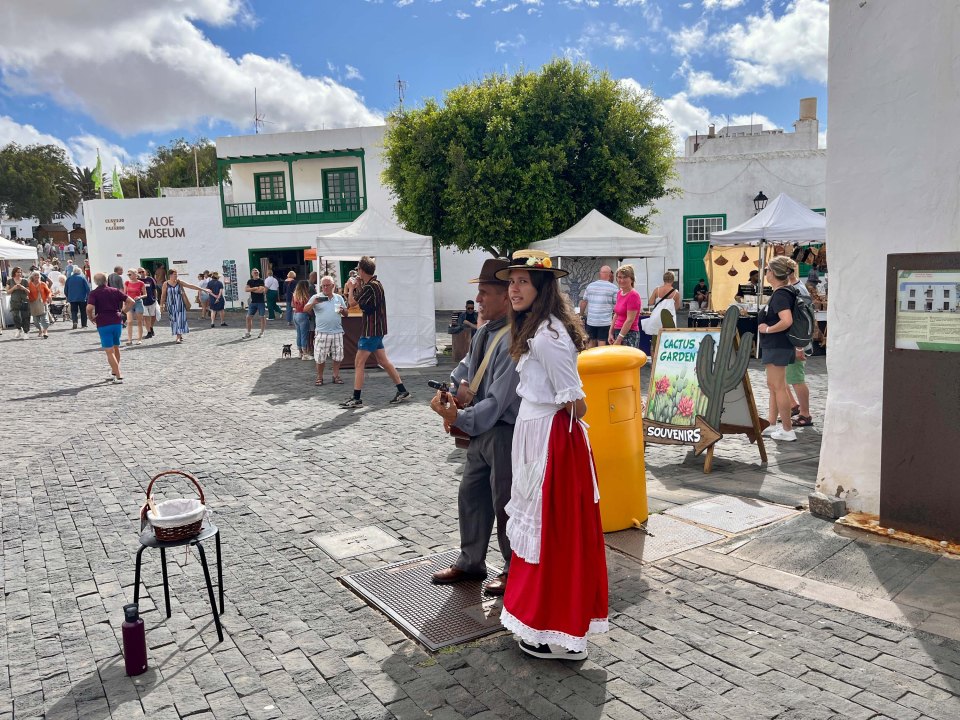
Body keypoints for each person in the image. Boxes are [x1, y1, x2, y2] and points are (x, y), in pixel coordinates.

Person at [495, 250, 607, 661]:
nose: (515, 288)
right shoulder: (534, 330)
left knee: (553, 536)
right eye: (512, 281)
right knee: (541, 533)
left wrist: (552, 422)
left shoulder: (547, 335)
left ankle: (558, 629)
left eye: (524, 281)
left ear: (543, 288)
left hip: (552, 443)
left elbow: (577, 403)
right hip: (537, 437)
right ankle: (544, 624)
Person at [429, 258, 520, 597]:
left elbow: (496, 402)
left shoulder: (514, 338)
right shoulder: (485, 331)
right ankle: (472, 562)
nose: (478, 300)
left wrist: (457, 416)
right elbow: (463, 371)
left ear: (504, 297)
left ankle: (514, 568)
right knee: (471, 495)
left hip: (504, 432)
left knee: (505, 502)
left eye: (484, 293)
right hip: (482, 429)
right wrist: (452, 393)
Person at [339, 256, 409, 408]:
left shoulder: (370, 287)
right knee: (384, 361)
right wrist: (359, 286)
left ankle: (356, 398)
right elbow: (362, 300)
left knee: (359, 362)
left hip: (371, 329)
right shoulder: (376, 284)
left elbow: (351, 303)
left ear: (362, 270)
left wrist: (351, 288)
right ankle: (402, 390)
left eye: (358, 269)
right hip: (377, 329)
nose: (357, 272)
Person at [758, 256, 798, 442]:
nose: (765, 272)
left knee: (779, 387)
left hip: (777, 345)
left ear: (773, 273)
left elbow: (787, 320)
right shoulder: (783, 292)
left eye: (767, 269)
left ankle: (788, 430)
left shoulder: (781, 294)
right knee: (773, 386)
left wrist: (768, 329)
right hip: (777, 345)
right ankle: (772, 423)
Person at [87, 273, 133, 382]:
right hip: (117, 321)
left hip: (103, 322)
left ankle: (118, 374)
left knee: (109, 350)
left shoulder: (94, 293)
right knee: (116, 347)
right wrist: (123, 312)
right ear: (106, 280)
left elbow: (89, 308)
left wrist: (91, 318)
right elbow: (131, 301)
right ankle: (114, 371)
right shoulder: (115, 290)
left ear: (95, 282)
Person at [305, 275, 348, 385]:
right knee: (320, 357)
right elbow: (305, 309)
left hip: (337, 331)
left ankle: (336, 376)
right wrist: (313, 303)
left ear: (333, 286)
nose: (325, 288)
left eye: (327, 285)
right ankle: (319, 377)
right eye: (323, 286)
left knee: (338, 356)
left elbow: (346, 314)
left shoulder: (339, 298)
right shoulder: (317, 297)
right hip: (322, 332)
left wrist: (343, 310)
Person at [786, 261, 813, 427]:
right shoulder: (793, 287)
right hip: (790, 341)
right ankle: (793, 406)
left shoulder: (798, 290)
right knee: (780, 378)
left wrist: (799, 346)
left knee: (796, 378)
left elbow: (804, 320)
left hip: (795, 342)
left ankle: (805, 414)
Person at [159, 269, 203, 344]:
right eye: (174, 274)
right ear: (170, 275)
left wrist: (203, 289)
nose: (176, 275)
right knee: (174, 320)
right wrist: (161, 305)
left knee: (180, 320)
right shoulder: (165, 284)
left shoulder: (179, 282)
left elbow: (190, 286)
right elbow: (163, 295)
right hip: (171, 305)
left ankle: (178, 337)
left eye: (176, 274)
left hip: (180, 304)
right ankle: (179, 334)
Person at [579, 265, 618, 348]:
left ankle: (589, 360)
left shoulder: (590, 286)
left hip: (591, 320)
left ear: (600, 274)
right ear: (609, 275)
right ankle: (601, 361)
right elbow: (617, 305)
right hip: (605, 322)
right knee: (602, 344)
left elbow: (584, 302)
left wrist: (581, 315)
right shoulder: (614, 288)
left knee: (590, 342)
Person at [608, 264, 642, 348]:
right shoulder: (619, 293)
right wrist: (610, 332)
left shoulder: (633, 295)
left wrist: (619, 339)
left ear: (631, 279)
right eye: (619, 277)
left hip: (629, 333)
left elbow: (630, 320)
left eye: (625, 277)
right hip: (618, 331)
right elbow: (616, 314)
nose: (622, 280)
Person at [290, 280, 313, 359]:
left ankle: (300, 352)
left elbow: (292, 304)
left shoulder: (295, 294)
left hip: (295, 314)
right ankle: (305, 353)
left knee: (299, 334)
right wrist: (312, 314)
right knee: (304, 335)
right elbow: (307, 308)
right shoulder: (306, 295)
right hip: (303, 315)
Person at [5, 267, 31, 339]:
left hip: (24, 300)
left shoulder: (25, 281)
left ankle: (26, 332)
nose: (19, 273)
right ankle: (19, 328)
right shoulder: (10, 281)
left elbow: (29, 292)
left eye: (20, 272)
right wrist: (14, 288)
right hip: (14, 301)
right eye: (18, 272)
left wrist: (23, 288)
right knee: (15, 316)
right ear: (14, 273)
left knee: (25, 316)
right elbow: (7, 292)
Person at [123, 269, 146, 345]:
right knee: (129, 322)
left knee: (139, 321)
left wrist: (140, 297)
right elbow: (124, 294)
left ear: (135, 274)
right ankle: (129, 340)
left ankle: (139, 339)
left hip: (138, 302)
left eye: (130, 274)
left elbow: (145, 294)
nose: (129, 276)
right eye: (128, 275)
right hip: (129, 303)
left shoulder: (141, 283)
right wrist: (124, 304)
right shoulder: (126, 283)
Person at [27, 271, 52, 339]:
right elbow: (27, 293)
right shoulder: (29, 284)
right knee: (35, 320)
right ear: (32, 277)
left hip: (42, 302)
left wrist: (49, 296)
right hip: (33, 303)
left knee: (44, 318)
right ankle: (40, 329)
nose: (37, 277)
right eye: (35, 275)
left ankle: (45, 331)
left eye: (38, 276)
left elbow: (48, 292)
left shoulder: (43, 284)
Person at [244, 269, 267, 339]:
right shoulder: (250, 281)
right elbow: (246, 289)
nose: (256, 273)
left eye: (257, 272)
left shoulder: (261, 281)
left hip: (261, 302)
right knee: (248, 317)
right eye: (255, 272)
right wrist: (255, 288)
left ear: (259, 273)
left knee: (262, 317)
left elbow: (261, 291)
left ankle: (262, 332)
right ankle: (248, 332)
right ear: (252, 274)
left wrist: (251, 289)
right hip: (253, 302)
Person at [138, 268, 160, 339]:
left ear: (146, 272)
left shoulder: (150, 279)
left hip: (151, 300)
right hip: (142, 301)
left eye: (142, 271)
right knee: (146, 317)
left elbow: (154, 289)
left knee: (153, 316)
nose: (141, 273)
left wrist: (156, 298)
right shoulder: (138, 281)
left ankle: (151, 327)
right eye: (139, 272)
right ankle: (149, 332)